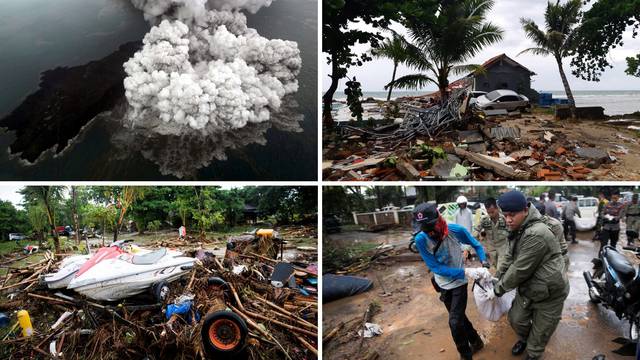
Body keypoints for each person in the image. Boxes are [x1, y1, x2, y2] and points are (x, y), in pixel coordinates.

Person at [493, 190, 569, 360]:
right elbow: (509, 256)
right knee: (516, 319)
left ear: (525, 210)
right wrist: (497, 277)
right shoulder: (518, 228)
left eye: (512, 215)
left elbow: (520, 269)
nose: (508, 219)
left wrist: (498, 289)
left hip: (550, 292)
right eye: (505, 215)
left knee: (541, 332)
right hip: (529, 286)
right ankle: (526, 340)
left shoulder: (537, 233)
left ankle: (533, 353)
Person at [413, 203, 490, 360]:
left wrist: (484, 263)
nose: (429, 232)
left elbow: (476, 245)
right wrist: (467, 271)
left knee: (454, 322)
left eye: (430, 227)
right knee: (459, 317)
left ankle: (465, 355)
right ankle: (476, 341)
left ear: (439, 219)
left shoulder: (456, 230)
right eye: (424, 229)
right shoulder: (421, 239)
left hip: (459, 283)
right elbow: (436, 268)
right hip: (442, 283)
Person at [475, 198, 508, 270]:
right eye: (488, 212)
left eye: (492, 212)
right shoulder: (484, 220)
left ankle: (500, 280)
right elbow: (475, 233)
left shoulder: (505, 218)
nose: (490, 214)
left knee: (501, 268)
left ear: (497, 208)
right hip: (491, 248)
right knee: (496, 267)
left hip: (503, 246)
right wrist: (467, 248)